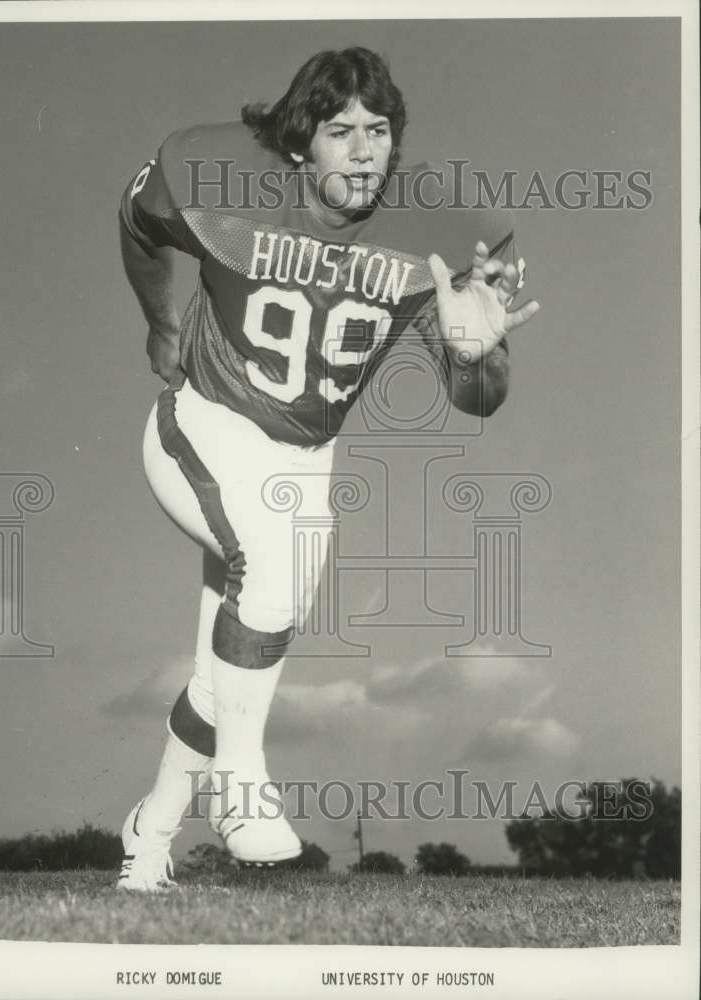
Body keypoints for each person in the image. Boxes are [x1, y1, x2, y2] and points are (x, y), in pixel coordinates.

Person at [117, 46, 539, 891]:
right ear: (300, 140)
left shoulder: (430, 242)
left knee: (227, 670)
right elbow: (138, 223)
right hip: (202, 421)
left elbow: (479, 399)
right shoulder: (222, 181)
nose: (362, 148)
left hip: (306, 456)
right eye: (341, 130)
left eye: (378, 130)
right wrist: (161, 322)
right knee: (269, 575)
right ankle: (241, 787)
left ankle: (148, 837)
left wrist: (477, 355)